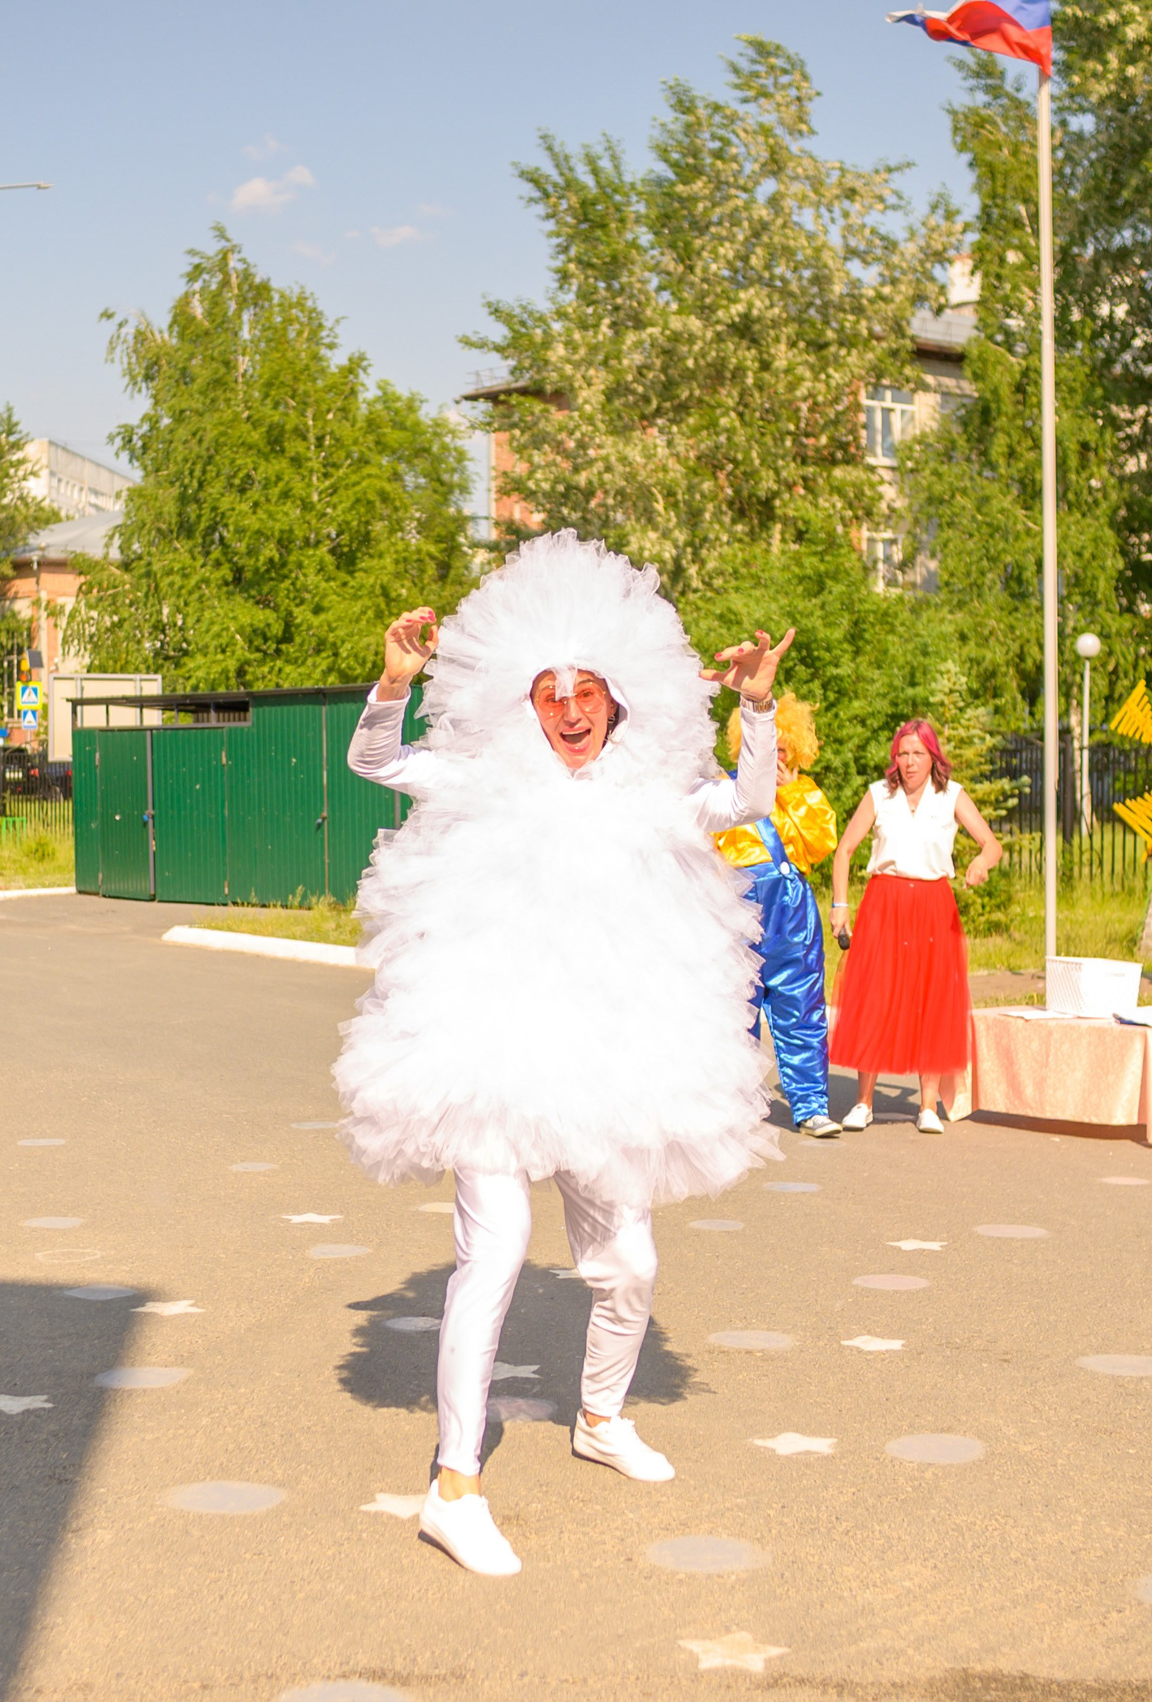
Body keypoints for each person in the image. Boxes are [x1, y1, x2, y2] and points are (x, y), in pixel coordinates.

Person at [335, 531, 791, 1577]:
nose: (571, 706)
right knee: (492, 1251)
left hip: (603, 1063)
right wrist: (391, 684)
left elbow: (749, 802)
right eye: (550, 689)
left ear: (622, 697)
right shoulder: (480, 779)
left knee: (628, 1260)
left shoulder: (653, 794)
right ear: (520, 701)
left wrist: (756, 710)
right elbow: (376, 760)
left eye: (589, 687)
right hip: (492, 1049)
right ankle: (453, 1485)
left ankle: (598, 1413)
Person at [828, 720, 1003, 1134]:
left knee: (932, 999)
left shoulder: (952, 795)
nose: (909, 762)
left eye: (918, 754)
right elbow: (845, 850)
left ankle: (927, 1106)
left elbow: (992, 844)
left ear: (932, 757)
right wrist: (840, 905)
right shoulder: (879, 794)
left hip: (933, 906)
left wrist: (981, 862)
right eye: (903, 754)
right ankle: (864, 1102)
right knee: (875, 997)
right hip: (883, 903)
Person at [712, 695, 840, 1138]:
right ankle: (738, 1108)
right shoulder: (725, 792)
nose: (774, 757)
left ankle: (810, 1105)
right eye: (765, 747)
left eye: (782, 748)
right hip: (739, 909)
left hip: (792, 914)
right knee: (735, 1010)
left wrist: (788, 791)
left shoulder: (804, 794)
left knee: (802, 1007)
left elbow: (822, 843)